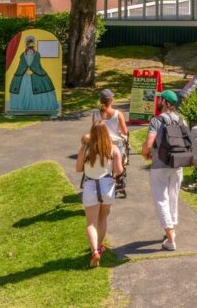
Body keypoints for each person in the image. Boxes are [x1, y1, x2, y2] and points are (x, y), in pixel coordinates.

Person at [141, 90, 186, 251]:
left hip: (160, 164)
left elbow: (148, 144)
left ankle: (170, 238)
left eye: (160, 98)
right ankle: (171, 229)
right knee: (173, 197)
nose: (157, 100)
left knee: (161, 199)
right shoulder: (181, 120)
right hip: (177, 164)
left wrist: (146, 153)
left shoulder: (156, 120)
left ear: (165, 102)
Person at [76, 122, 123, 267]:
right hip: (107, 186)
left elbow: (78, 168)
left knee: (91, 223)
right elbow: (119, 170)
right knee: (103, 218)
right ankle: (99, 247)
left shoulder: (87, 148)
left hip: (90, 185)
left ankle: (95, 251)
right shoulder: (113, 149)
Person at [9, 35, 59, 113]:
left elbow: (36, 64)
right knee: (23, 89)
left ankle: (35, 105)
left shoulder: (37, 54)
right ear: (26, 43)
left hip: (35, 73)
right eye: (29, 42)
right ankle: (25, 105)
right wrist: (25, 70)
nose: (30, 44)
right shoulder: (23, 55)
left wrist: (32, 69)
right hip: (24, 73)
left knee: (37, 87)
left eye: (31, 42)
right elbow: (21, 64)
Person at [93, 88, 129, 196]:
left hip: (100, 144)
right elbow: (125, 131)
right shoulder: (117, 114)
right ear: (111, 100)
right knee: (123, 153)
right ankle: (118, 174)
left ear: (101, 100)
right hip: (115, 145)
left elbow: (94, 129)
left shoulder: (95, 114)